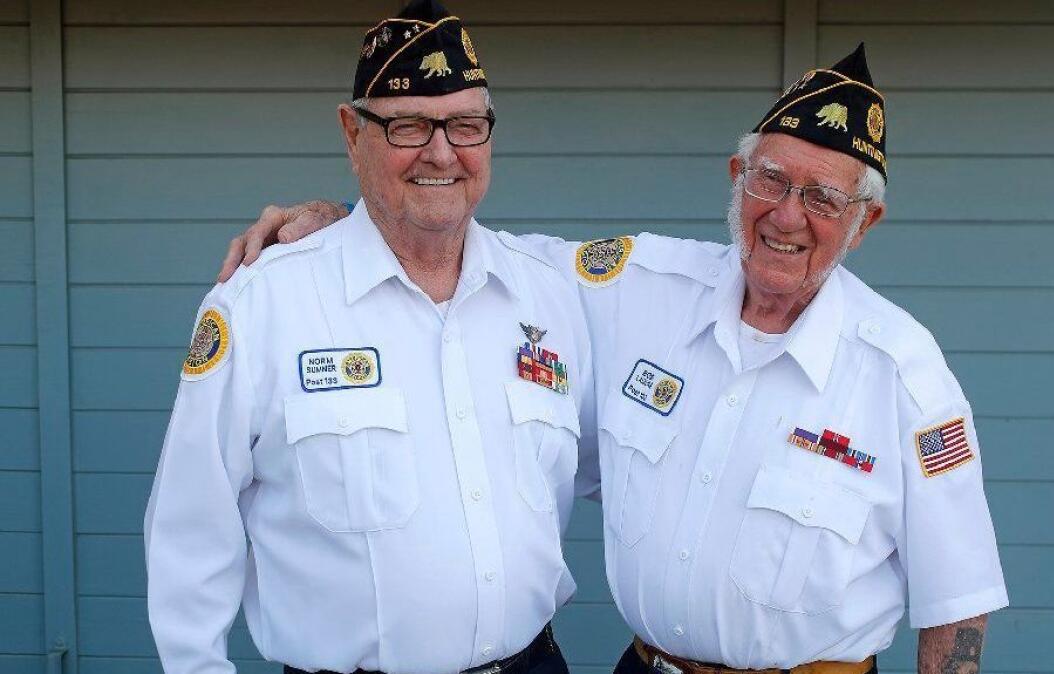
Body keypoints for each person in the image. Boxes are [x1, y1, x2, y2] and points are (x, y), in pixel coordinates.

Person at [221, 45, 1007, 674]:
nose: (787, 216)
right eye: (771, 180)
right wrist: (343, 223)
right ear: (739, 180)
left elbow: (956, 604)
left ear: (864, 224)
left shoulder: (903, 373)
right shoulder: (638, 284)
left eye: (824, 198)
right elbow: (464, 246)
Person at [145, 2, 592, 673]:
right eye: (409, 126)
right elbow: (189, 533)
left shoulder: (551, 293)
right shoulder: (265, 303)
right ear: (352, 135)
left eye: (466, 126)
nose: (442, 153)